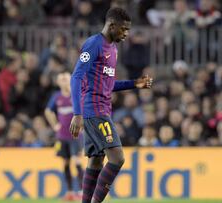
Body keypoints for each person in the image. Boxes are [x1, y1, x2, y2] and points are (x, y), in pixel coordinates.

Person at [69, 8, 153, 203]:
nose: (126, 34)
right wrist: (77, 113)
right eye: (123, 29)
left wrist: (134, 83)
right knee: (117, 158)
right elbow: (76, 77)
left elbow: (107, 85)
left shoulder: (112, 49)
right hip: (94, 110)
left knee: (97, 160)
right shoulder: (93, 44)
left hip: (102, 109)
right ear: (112, 25)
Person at [45, 71, 84, 201]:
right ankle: (70, 192)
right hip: (62, 136)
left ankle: (81, 191)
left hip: (76, 135)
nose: (64, 80)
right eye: (61, 78)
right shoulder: (56, 96)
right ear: (57, 82)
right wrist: (55, 125)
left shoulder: (77, 94)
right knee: (66, 163)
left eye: (66, 78)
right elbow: (48, 111)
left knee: (77, 162)